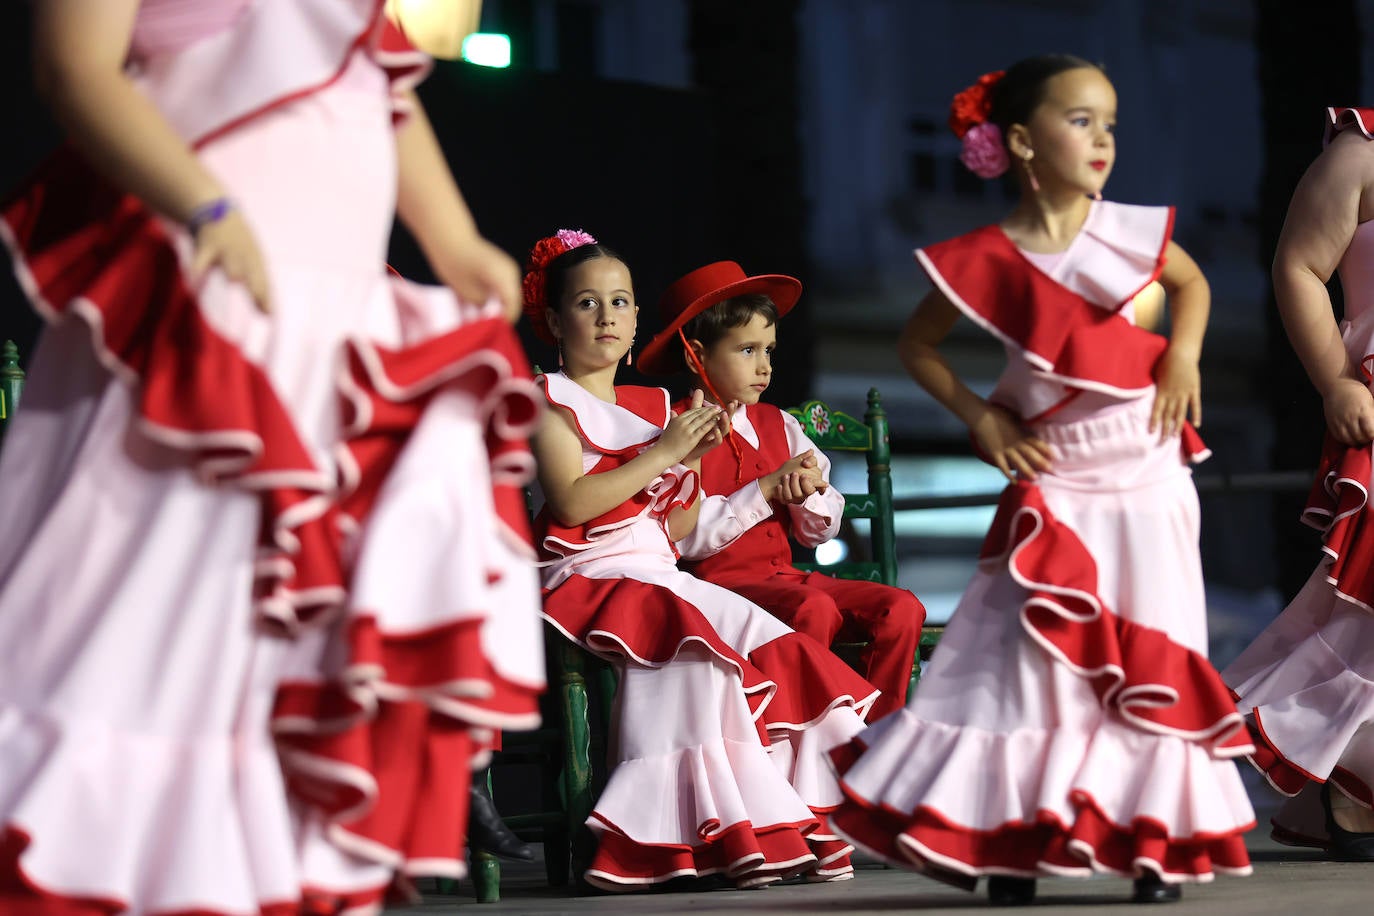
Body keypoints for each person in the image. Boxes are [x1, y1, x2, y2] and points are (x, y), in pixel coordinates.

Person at [0, 1, 545, 912]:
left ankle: (232, 880)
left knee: (276, 649)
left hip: (332, 336)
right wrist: (202, 203)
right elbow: (73, 67)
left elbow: (384, 85)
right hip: (211, 311)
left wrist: (451, 238)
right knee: (138, 622)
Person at [823, 55, 1256, 905]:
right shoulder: (983, 256)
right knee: (1028, 655)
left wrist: (1184, 356)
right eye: (1081, 120)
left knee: (1155, 643)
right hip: (1055, 473)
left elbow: (1192, 282)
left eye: (1111, 124)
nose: (1103, 140)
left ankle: (1150, 845)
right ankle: (1016, 839)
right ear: (1020, 140)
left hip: (1150, 462)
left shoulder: (1133, 231)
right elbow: (919, 347)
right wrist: (982, 417)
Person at [524, 229, 880, 890]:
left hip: (656, 567)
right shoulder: (547, 404)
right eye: (587, 303)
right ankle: (678, 839)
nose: (607, 316)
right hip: (590, 574)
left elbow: (677, 525)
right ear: (552, 320)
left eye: (621, 302)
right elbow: (572, 507)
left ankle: (793, 826)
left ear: (636, 323)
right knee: (695, 646)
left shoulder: (656, 408)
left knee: (779, 646)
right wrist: (666, 456)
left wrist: (685, 461)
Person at [636, 262, 926, 720]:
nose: (764, 366)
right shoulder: (674, 432)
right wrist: (764, 490)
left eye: (769, 349)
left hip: (787, 579)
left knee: (901, 608)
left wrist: (806, 492)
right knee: (813, 608)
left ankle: (874, 736)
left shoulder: (780, 424)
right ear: (696, 356)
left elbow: (818, 532)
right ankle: (807, 737)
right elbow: (685, 538)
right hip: (718, 588)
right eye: (747, 350)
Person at [1223, 106, 1374, 860]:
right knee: (1366, 608)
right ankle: (1352, 784)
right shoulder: (1362, 150)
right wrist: (1336, 382)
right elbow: (1300, 266)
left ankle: (1355, 780)